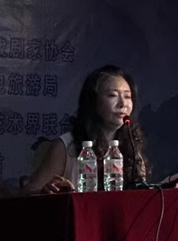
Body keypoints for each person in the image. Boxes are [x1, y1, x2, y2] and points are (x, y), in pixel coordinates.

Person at [23, 65, 149, 194]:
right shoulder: (66, 146)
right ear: (93, 101)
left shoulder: (131, 147)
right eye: (113, 95)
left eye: (128, 97)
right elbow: (29, 193)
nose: (122, 104)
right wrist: (48, 192)